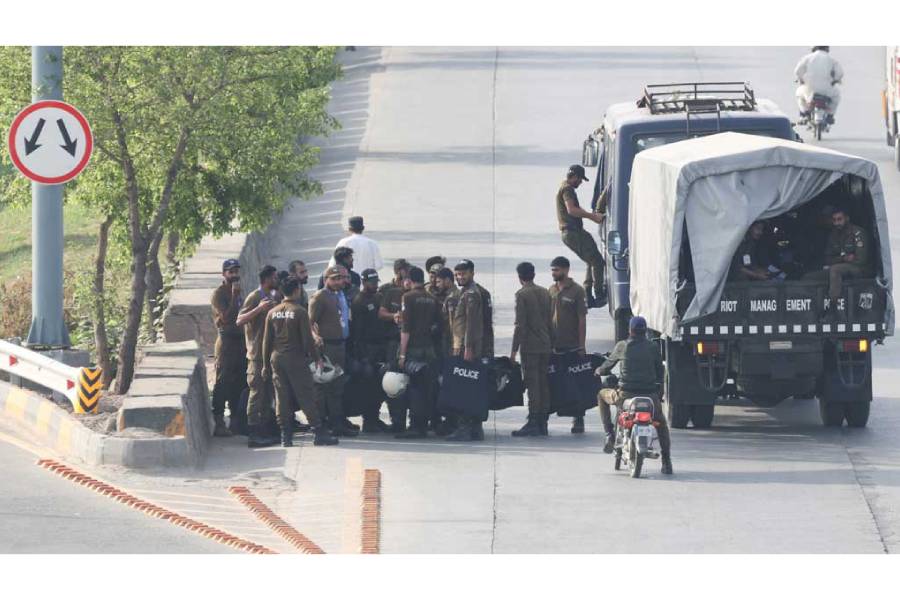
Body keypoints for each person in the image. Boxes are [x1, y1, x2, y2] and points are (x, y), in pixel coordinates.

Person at [261, 276, 338, 448]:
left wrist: (265, 365)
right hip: (295, 358)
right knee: (306, 395)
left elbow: (266, 341)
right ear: (297, 290)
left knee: (282, 397)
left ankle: (285, 436)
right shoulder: (299, 312)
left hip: (277, 359)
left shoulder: (272, 312)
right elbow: (307, 340)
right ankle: (318, 432)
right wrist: (317, 358)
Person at [596, 316, 672, 475]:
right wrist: (658, 393)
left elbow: (605, 367)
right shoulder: (653, 347)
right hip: (650, 397)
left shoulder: (622, 346)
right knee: (661, 424)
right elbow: (660, 373)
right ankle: (666, 461)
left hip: (625, 396)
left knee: (601, 395)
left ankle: (609, 435)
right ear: (645, 331)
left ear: (630, 330)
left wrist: (598, 371)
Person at [309, 266, 358, 437]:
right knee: (323, 385)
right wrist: (316, 338)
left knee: (337, 386)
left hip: (340, 345)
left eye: (340, 278)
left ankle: (337, 422)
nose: (339, 282)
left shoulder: (340, 294)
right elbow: (309, 323)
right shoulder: (319, 297)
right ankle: (322, 423)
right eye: (335, 278)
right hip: (327, 346)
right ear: (326, 279)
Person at [236, 265, 282, 448]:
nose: (277, 280)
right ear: (267, 279)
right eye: (275, 277)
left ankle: (265, 430)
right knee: (256, 393)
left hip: (269, 353)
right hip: (256, 355)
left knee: (267, 395)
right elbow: (240, 320)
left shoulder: (273, 296)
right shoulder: (255, 297)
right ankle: (253, 433)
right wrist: (259, 308)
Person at [396, 266, 442, 439]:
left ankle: (415, 425)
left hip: (413, 349)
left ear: (409, 280)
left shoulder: (408, 297)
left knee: (414, 388)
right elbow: (438, 324)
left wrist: (402, 354)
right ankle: (424, 424)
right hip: (429, 349)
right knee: (427, 387)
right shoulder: (432, 298)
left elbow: (406, 328)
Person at [510, 262, 553, 437]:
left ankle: (533, 420)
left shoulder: (521, 294)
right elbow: (550, 321)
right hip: (545, 344)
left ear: (520, 277)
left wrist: (514, 350)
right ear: (533, 274)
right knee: (544, 383)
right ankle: (543, 421)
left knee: (532, 384)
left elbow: (520, 325)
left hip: (530, 346)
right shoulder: (545, 292)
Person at [446, 259, 487, 442]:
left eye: (463, 274)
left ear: (472, 273)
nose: (460, 277)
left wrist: (468, 347)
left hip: (465, 348)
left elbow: (471, 323)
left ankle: (464, 428)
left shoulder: (470, 294)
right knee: (472, 388)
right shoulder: (469, 292)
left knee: (463, 390)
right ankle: (476, 428)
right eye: (457, 274)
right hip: (467, 347)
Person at [803, 207, 870, 318]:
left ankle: (832, 307)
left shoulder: (858, 233)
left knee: (836, 269)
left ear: (847, 218)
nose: (837, 223)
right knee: (809, 277)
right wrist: (843, 258)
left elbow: (861, 260)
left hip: (859, 270)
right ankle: (812, 311)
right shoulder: (833, 235)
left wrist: (838, 261)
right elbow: (827, 259)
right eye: (834, 220)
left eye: (839, 219)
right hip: (840, 268)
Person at [548, 256, 589, 434]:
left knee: (576, 383)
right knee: (553, 381)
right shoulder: (551, 290)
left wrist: (581, 345)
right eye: (552, 270)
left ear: (566, 270)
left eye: (556, 270)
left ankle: (578, 419)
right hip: (554, 345)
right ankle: (544, 417)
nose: (553, 273)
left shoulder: (577, 291)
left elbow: (582, 320)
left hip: (572, 344)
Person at [556, 164, 607, 308]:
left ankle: (588, 295)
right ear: (573, 176)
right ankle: (599, 294)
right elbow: (572, 210)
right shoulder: (567, 189)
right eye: (579, 179)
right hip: (572, 232)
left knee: (591, 260)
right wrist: (593, 216)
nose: (580, 182)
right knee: (597, 262)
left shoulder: (565, 187)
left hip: (573, 232)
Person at [350, 268, 392, 433]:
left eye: (376, 282)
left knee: (380, 386)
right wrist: (363, 356)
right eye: (371, 282)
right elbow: (357, 332)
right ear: (364, 282)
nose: (374, 285)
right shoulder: (358, 301)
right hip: (367, 349)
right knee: (369, 387)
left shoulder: (379, 297)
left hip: (380, 347)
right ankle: (369, 420)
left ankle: (375, 418)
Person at [210, 259, 248, 437]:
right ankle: (219, 421)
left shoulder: (238, 292)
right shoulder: (219, 294)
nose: (234, 275)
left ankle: (235, 420)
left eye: (236, 271)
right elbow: (226, 318)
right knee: (223, 382)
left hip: (240, 341)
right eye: (230, 272)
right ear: (224, 274)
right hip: (226, 343)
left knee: (239, 382)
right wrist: (233, 297)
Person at [378, 259, 411, 431]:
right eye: (404, 276)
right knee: (392, 380)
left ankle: (415, 422)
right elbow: (381, 313)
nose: (407, 281)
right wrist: (393, 316)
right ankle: (397, 421)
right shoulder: (389, 292)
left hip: (411, 344)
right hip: (392, 343)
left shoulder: (415, 295)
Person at [794, 46, 844, 123]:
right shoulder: (832, 60)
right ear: (827, 48)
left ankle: (804, 114)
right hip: (826, 90)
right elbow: (839, 73)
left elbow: (797, 71)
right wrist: (835, 80)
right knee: (836, 96)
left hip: (809, 89)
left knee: (799, 94)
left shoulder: (807, 58)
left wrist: (801, 79)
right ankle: (830, 115)